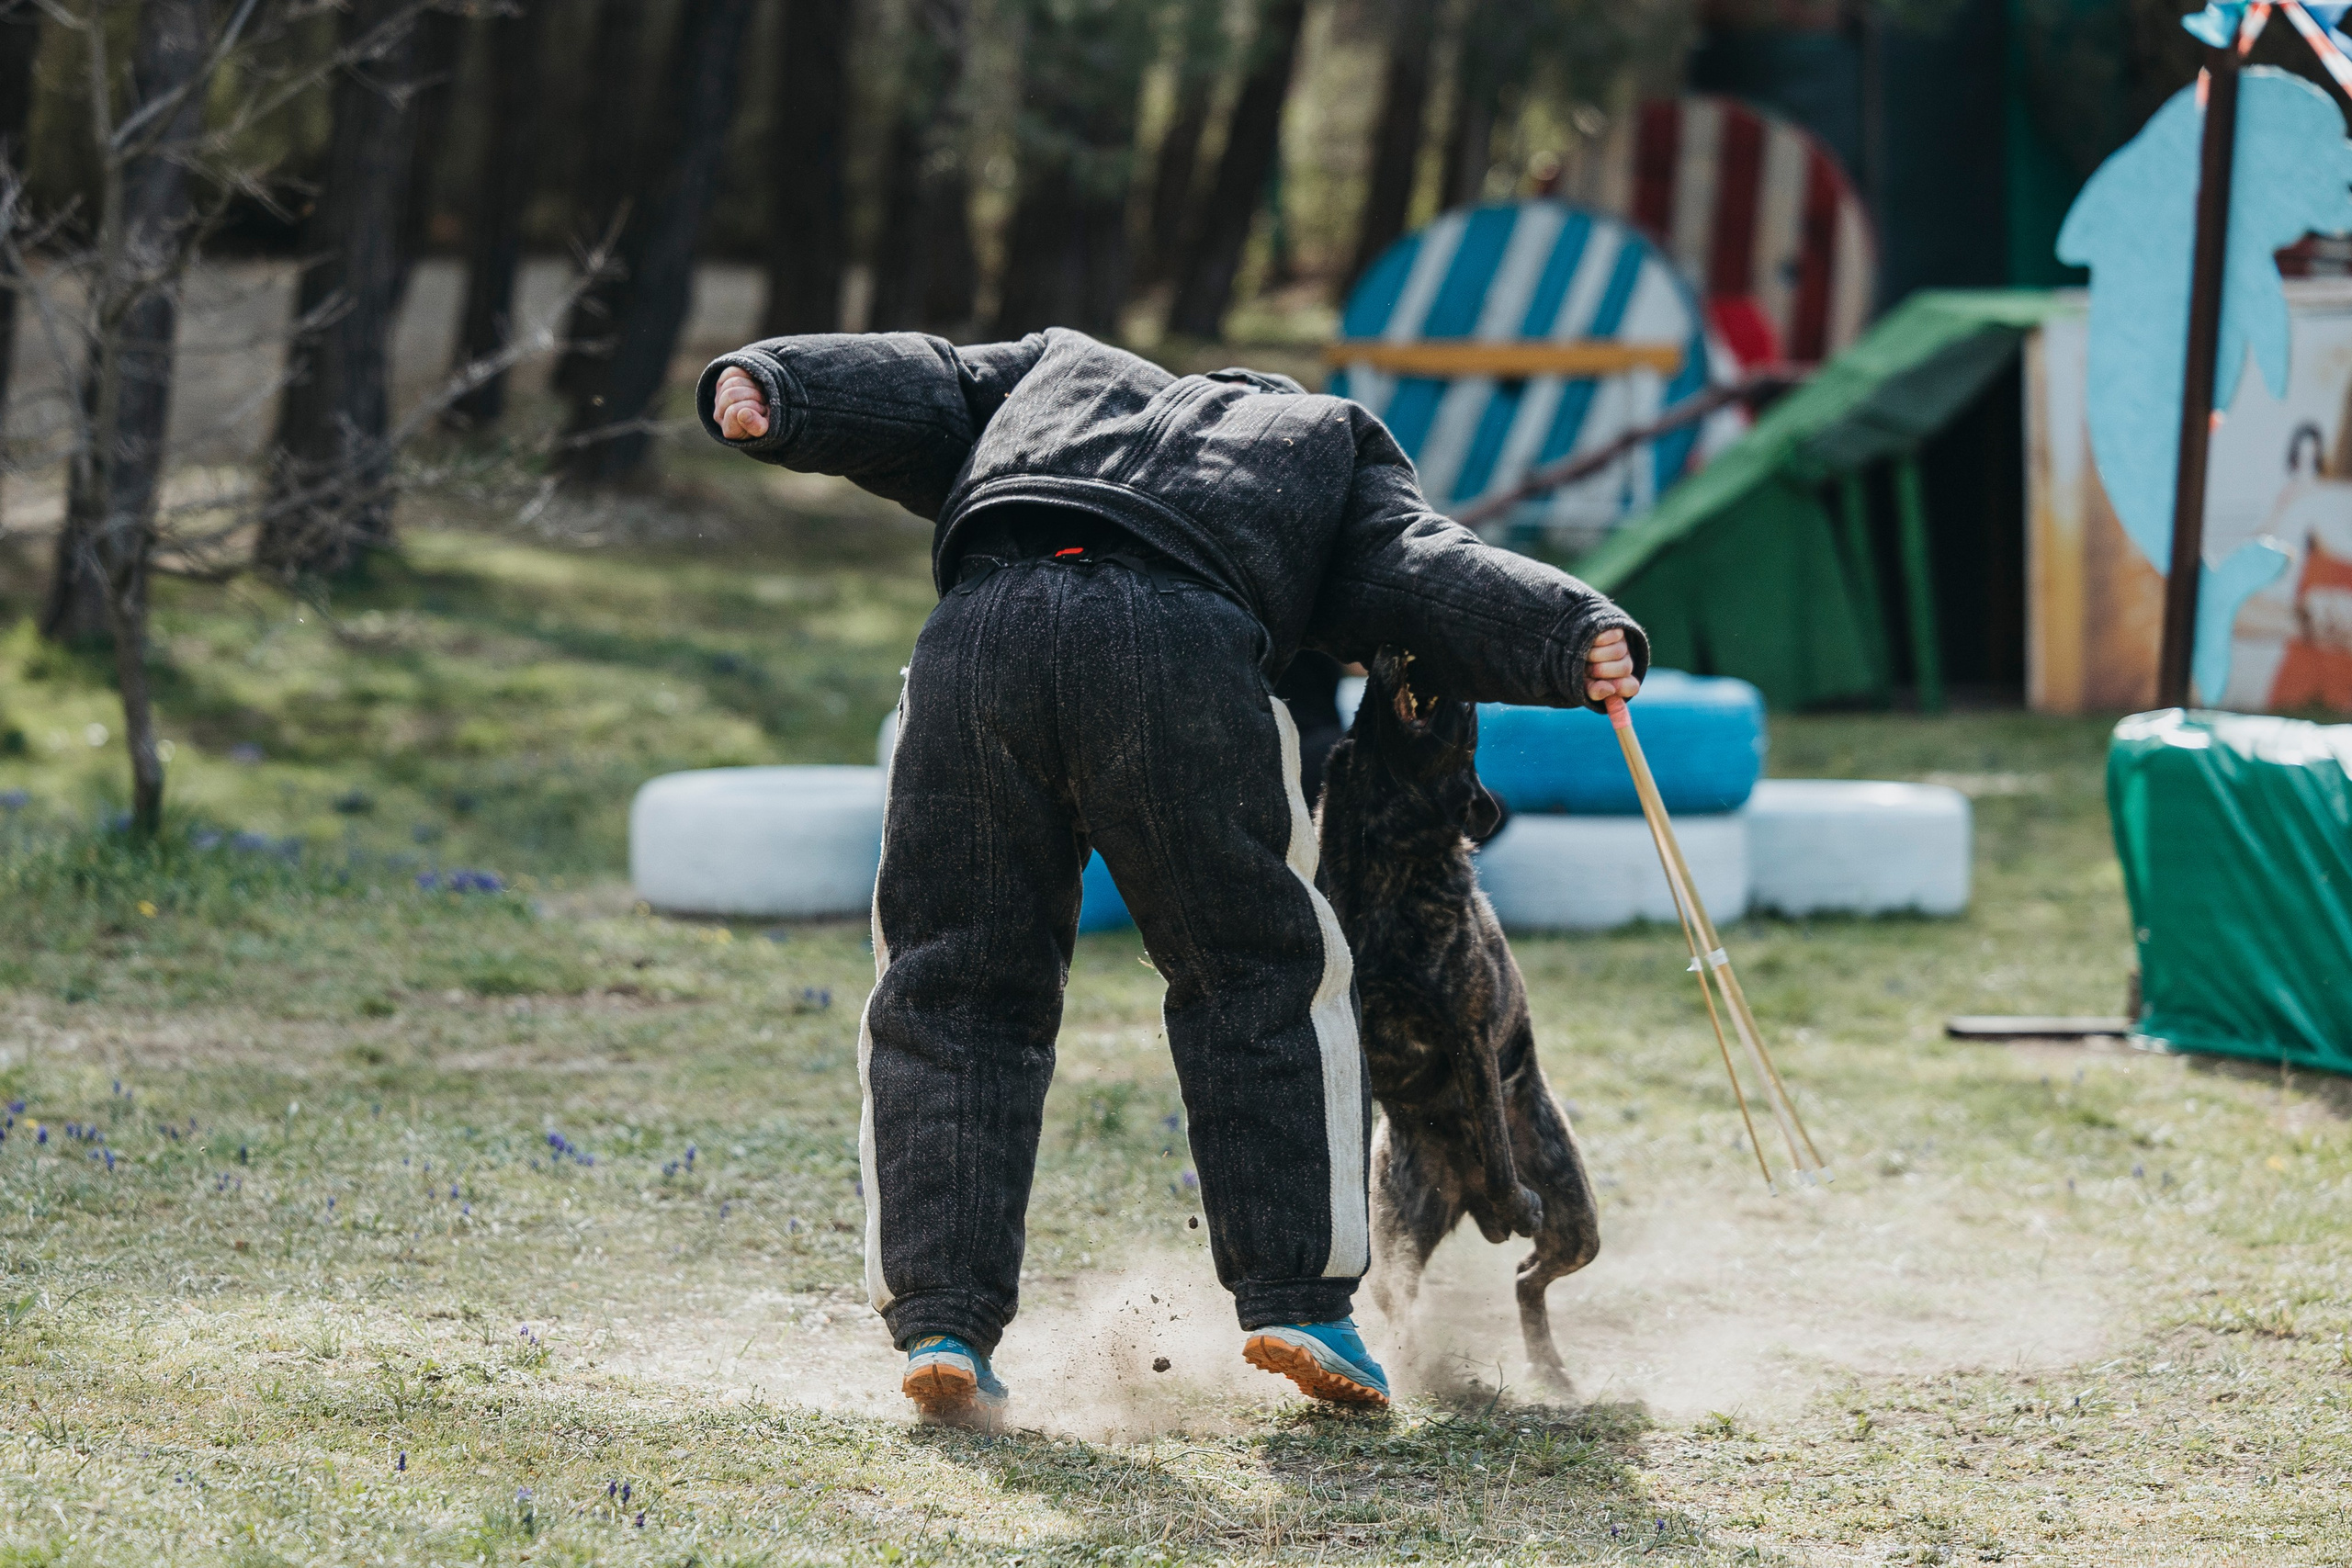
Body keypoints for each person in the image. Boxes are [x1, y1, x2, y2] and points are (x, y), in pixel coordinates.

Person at [701, 330, 1644, 1422]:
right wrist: (1570, 631)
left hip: (980, 636)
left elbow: (928, 382)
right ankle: (1298, 1304)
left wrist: (777, 383)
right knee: (1254, 972)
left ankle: (943, 1323)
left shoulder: (1054, 370)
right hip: (1179, 650)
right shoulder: (1327, 439)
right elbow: (1415, 567)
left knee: (952, 986)